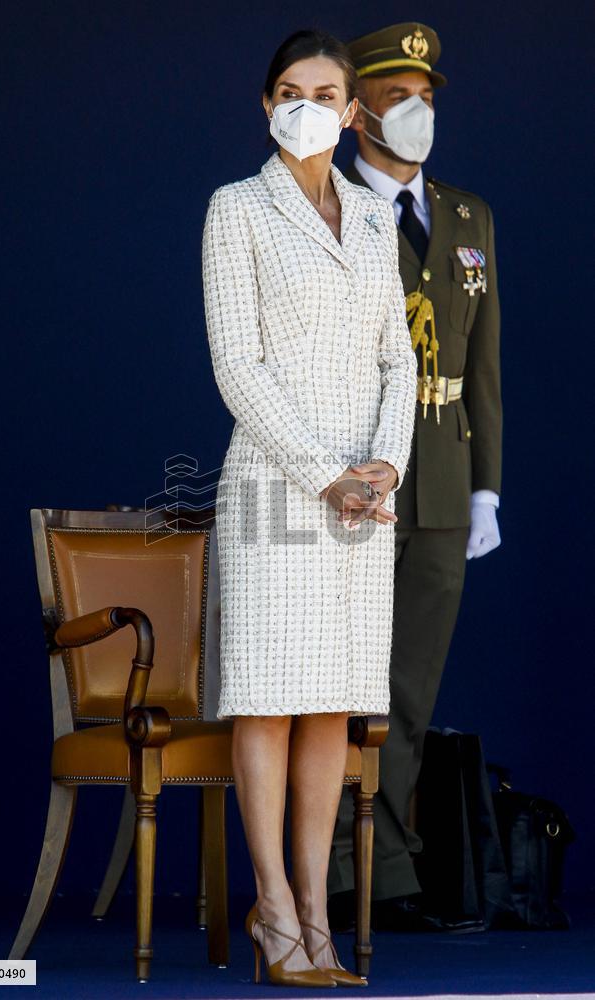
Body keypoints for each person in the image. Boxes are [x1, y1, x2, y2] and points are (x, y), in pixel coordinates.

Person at [202, 28, 417, 987]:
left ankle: (314, 914)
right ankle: (274, 911)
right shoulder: (235, 209)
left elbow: (397, 361)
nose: (307, 104)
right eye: (289, 89)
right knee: (268, 698)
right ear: (266, 104)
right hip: (273, 490)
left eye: (325, 92)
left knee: (330, 701)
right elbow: (237, 366)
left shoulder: (376, 221)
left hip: (362, 504)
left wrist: (384, 466)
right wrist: (324, 471)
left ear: (352, 110)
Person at [327, 21, 503, 933]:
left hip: (442, 474)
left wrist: (486, 487)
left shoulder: (468, 216)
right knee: (342, 678)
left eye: (427, 99)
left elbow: (486, 368)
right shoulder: (331, 208)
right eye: (397, 99)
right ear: (359, 114)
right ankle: (337, 867)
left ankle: (384, 872)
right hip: (357, 470)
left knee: (409, 686)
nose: (417, 114)